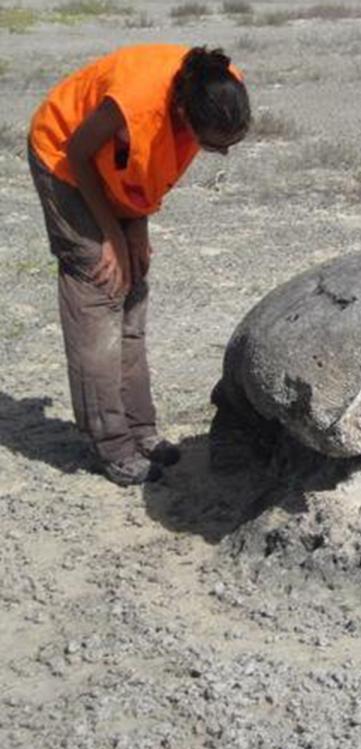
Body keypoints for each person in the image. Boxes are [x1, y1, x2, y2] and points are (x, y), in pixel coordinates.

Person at [27, 45, 250, 486]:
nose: (219, 155)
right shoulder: (135, 102)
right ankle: (111, 445)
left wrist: (137, 228)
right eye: (212, 146)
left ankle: (140, 429)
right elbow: (78, 154)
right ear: (185, 112)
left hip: (109, 170)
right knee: (99, 283)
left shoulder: (220, 87)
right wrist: (109, 234)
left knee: (134, 285)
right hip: (65, 160)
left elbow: (142, 164)